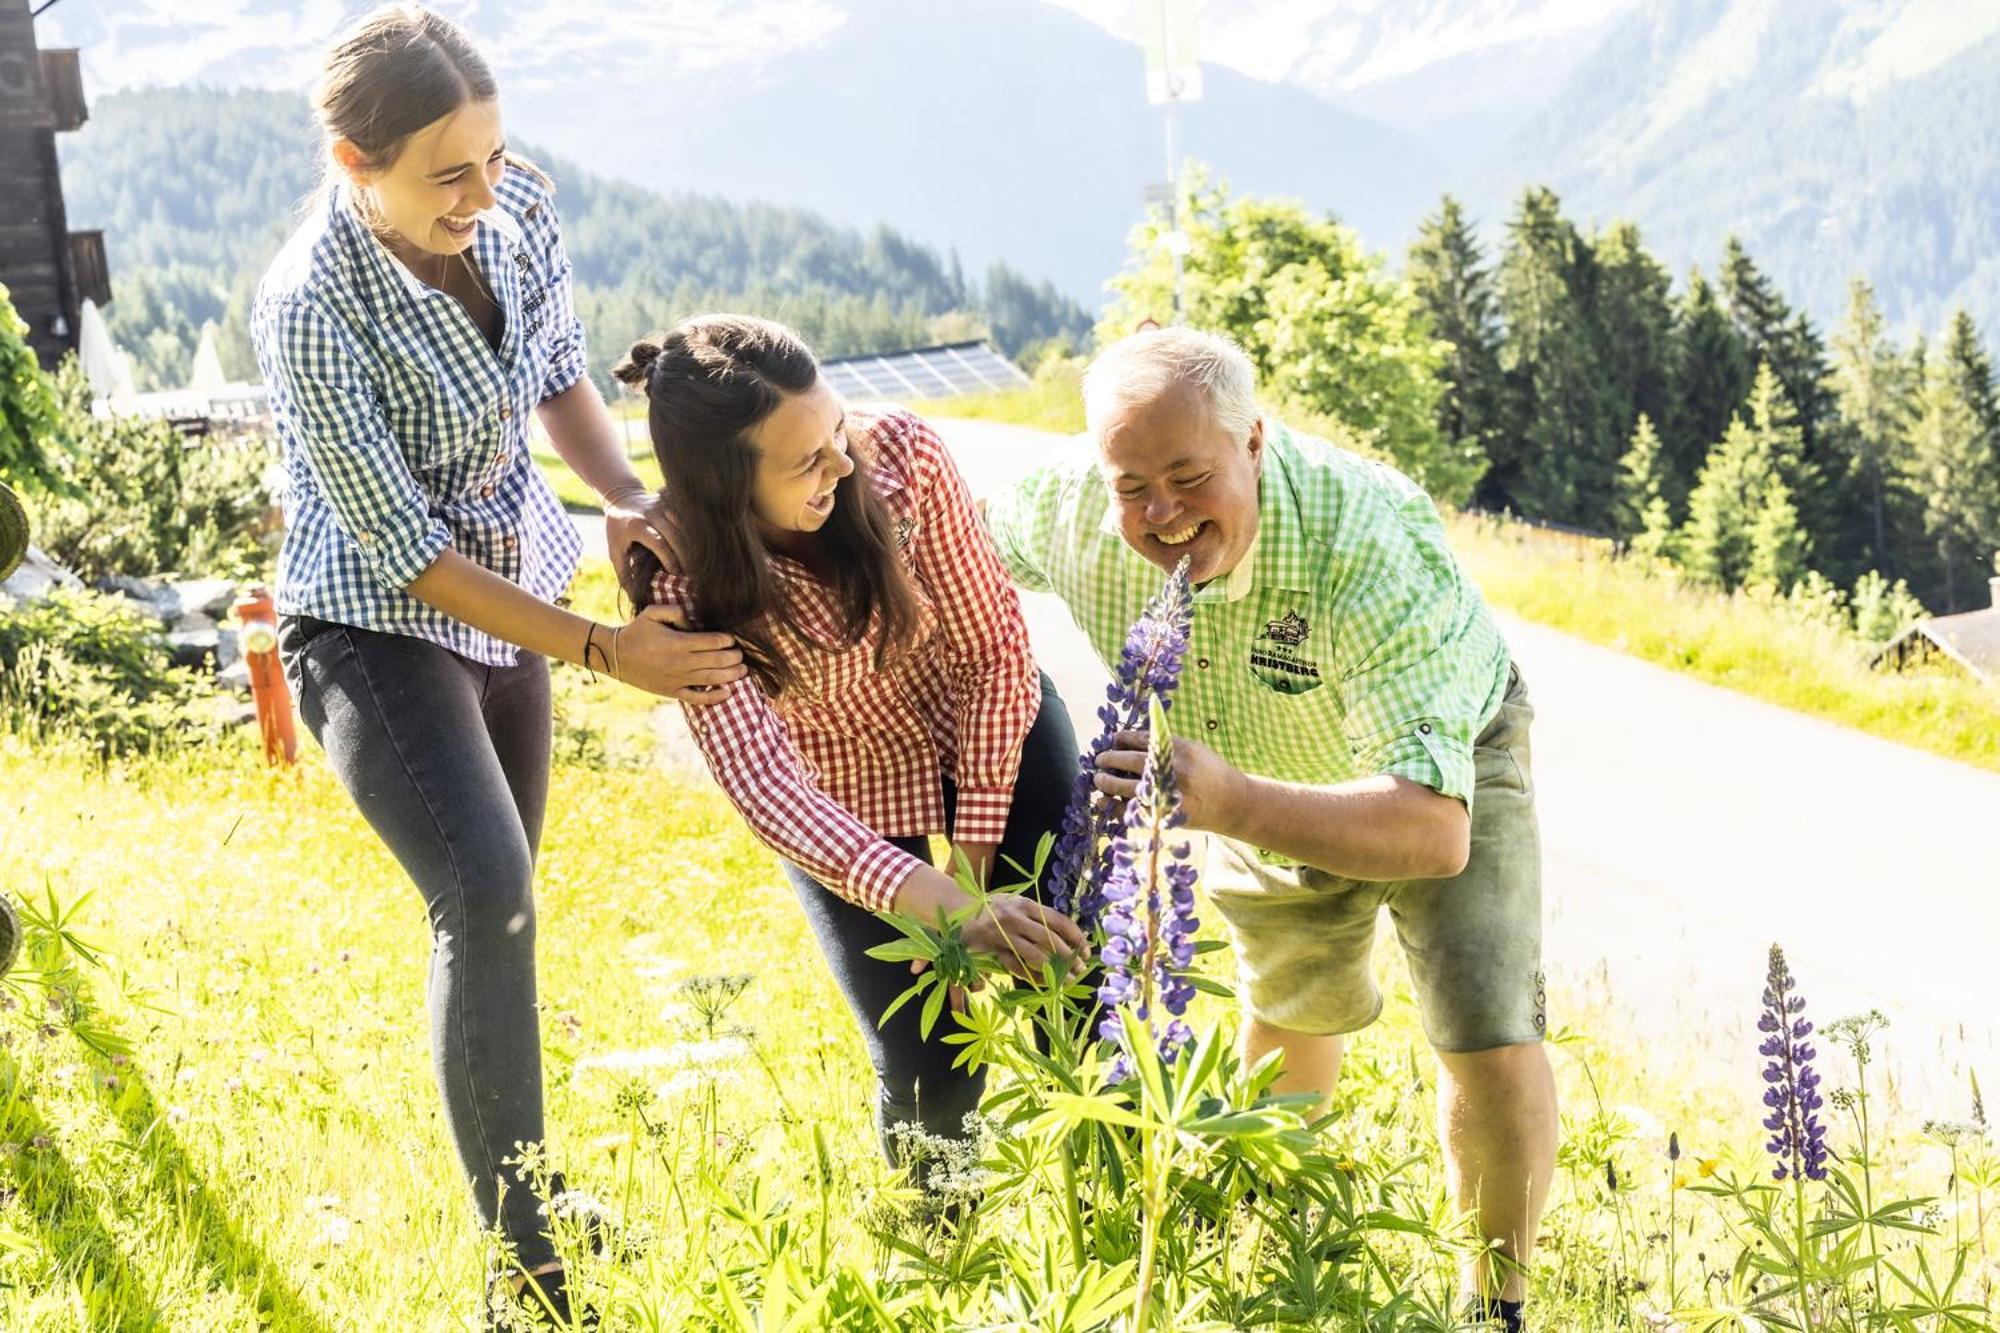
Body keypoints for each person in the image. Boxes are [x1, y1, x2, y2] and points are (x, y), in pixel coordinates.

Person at [252, 7, 744, 1324]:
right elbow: (404, 554)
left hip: (509, 586)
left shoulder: (516, 208)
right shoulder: (312, 307)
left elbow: (558, 374)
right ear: (358, 166)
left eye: (491, 155)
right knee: (484, 892)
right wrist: (605, 649)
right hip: (374, 620)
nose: (481, 193)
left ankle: (533, 1194)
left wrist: (626, 494)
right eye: (445, 173)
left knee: (508, 915)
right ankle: (526, 1271)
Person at [984, 326, 1555, 1332]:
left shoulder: (1365, 540)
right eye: (1131, 487)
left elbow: (1432, 832)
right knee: (1290, 1007)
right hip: (1249, 763)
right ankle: (1274, 1262)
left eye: (1187, 476)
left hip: (1441, 767)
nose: (1159, 516)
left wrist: (1235, 802)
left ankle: (1490, 1310)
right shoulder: (1071, 508)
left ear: (1253, 442)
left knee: (1483, 1026)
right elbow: (942, 539)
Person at [611, 314, 1088, 1180]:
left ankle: (1135, 1214)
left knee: (1078, 978)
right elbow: (767, 786)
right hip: (840, 791)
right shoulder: (684, 584)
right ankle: (940, 1249)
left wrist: (969, 882)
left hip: (986, 727)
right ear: (725, 485)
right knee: (929, 1057)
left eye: (836, 430)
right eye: (805, 461)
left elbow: (993, 655)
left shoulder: (901, 458)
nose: (841, 462)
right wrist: (938, 911)